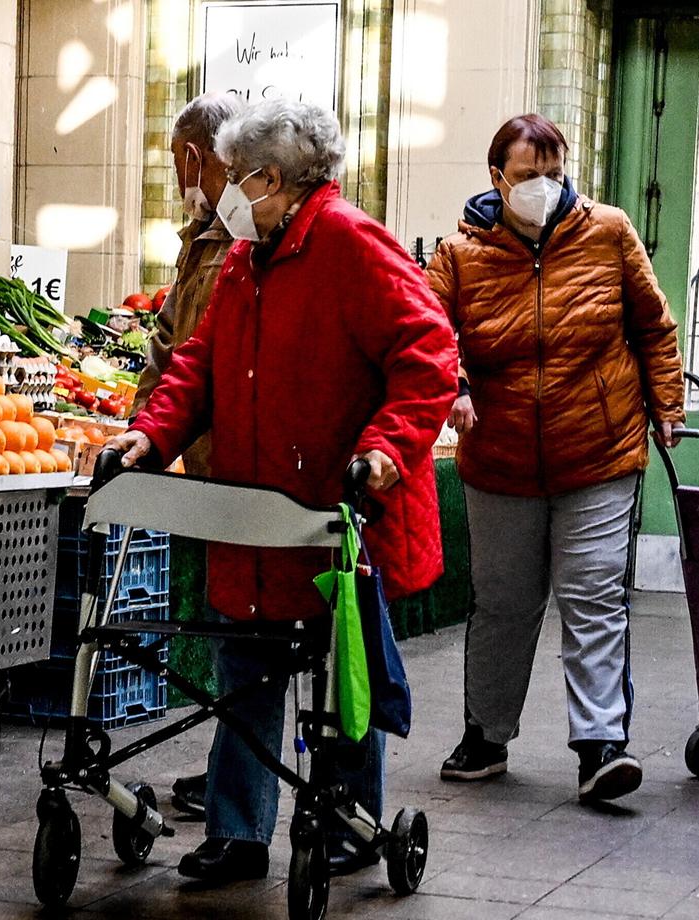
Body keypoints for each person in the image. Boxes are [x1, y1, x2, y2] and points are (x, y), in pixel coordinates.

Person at [108, 99, 457, 883]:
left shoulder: (350, 243)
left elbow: (430, 354)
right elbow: (200, 360)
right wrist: (151, 432)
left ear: (273, 179)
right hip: (252, 511)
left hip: (333, 510)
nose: (225, 191)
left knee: (341, 679)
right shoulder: (246, 255)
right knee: (245, 673)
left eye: (236, 178)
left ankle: (348, 822)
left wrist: (385, 453)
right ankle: (238, 832)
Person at [426, 114, 684, 802]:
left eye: (554, 173)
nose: (543, 187)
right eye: (527, 176)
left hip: (599, 451)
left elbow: (654, 327)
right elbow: (428, 331)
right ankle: (485, 736)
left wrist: (668, 409)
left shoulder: (608, 231)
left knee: (594, 597)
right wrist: (452, 385)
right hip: (501, 458)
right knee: (504, 603)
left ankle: (601, 746)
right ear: (496, 179)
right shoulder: (460, 254)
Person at [132, 91, 244, 820]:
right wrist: (144, 430)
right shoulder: (202, 240)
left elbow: (190, 357)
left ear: (196, 157)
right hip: (206, 460)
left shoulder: (253, 237)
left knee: (246, 635)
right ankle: (233, 773)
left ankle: (241, 780)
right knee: (229, 628)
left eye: (181, 163)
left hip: (250, 468)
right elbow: (175, 346)